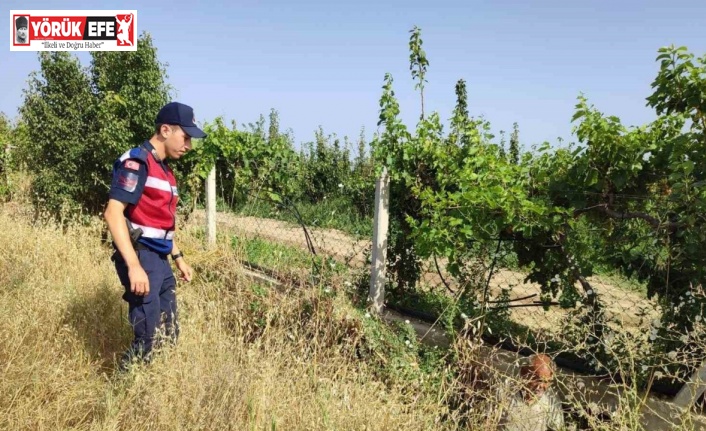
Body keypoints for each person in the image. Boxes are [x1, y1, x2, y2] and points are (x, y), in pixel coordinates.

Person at [104, 101, 206, 369]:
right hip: (142, 257)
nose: (188, 146)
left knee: (168, 333)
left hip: (160, 259)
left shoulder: (165, 171)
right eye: (185, 137)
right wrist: (134, 266)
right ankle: (121, 391)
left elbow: (161, 224)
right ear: (165, 130)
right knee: (147, 336)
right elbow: (113, 214)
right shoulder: (137, 163)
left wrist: (179, 257)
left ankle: (153, 385)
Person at [498, 354, 567, 431]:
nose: (541, 385)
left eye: (546, 381)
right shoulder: (505, 393)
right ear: (523, 373)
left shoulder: (552, 399)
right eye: (537, 379)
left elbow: (557, 428)